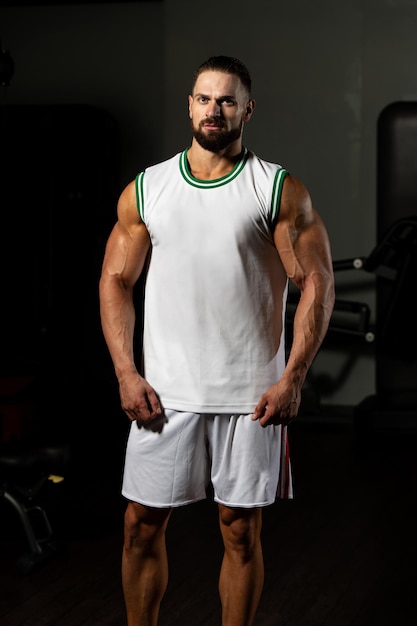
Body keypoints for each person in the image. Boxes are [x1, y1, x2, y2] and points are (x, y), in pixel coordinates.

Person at [99, 55, 335, 626]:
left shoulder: (276, 189)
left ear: (247, 110)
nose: (214, 110)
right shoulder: (148, 189)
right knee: (140, 525)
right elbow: (115, 280)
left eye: (227, 100)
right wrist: (126, 373)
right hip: (165, 393)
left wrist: (293, 377)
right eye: (204, 99)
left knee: (240, 533)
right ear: (189, 104)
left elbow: (316, 283)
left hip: (249, 396)